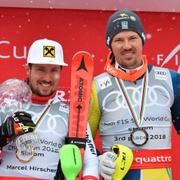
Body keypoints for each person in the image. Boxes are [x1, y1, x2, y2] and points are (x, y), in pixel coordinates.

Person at [88, 9, 180, 180]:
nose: (127, 46)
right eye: (119, 40)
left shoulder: (171, 79)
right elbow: (83, 140)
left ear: (142, 40)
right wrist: (97, 159)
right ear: (110, 44)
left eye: (132, 38)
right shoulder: (96, 86)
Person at [0, 38, 99, 179]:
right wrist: (3, 134)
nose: (47, 78)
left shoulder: (73, 115)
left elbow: (90, 161)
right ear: (28, 69)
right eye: (41, 70)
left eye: (54, 70)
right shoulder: (6, 104)